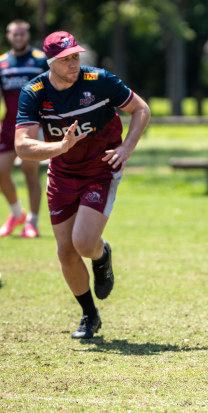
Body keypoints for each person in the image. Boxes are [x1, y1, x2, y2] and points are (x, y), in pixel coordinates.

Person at [15, 31, 150, 338]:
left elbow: (141, 109)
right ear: (51, 62)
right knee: (65, 252)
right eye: (66, 59)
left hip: (101, 169)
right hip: (62, 173)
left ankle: (102, 255)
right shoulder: (34, 92)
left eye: (76, 56)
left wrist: (126, 148)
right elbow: (22, 146)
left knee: (84, 243)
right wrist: (59, 148)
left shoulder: (100, 80)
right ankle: (90, 315)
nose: (74, 63)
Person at [0, 20, 48, 237]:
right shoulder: (2, 62)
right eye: (14, 34)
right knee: (1, 172)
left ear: (27, 35)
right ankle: (17, 213)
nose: (18, 37)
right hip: (9, 126)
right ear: (8, 36)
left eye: (22, 34)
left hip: (32, 125)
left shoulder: (40, 60)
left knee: (30, 172)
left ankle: (33, 223)